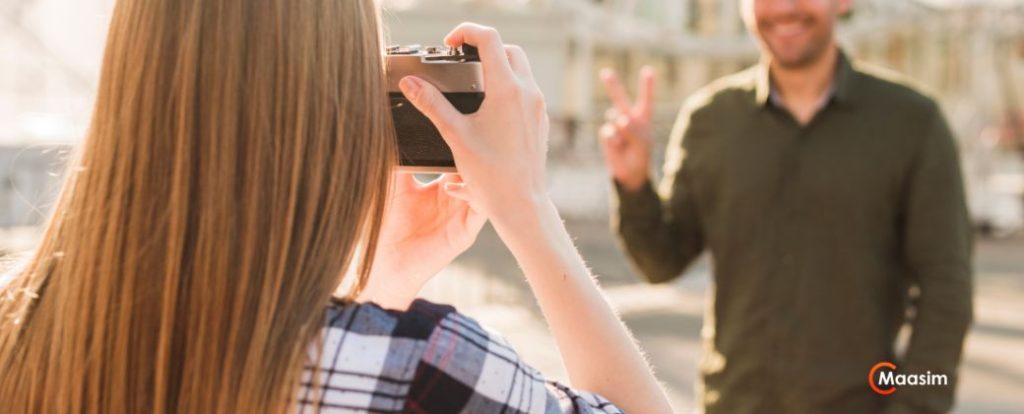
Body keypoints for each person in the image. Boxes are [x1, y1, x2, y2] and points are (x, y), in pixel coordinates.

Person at [0, 0, 673, 413]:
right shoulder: (422, 365)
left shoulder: (15, 326)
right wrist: (527, 209)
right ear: (338, 106)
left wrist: (382, 286)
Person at [598, 0, 972, 413]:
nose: (784, 7)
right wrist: (634, 185)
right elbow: (661, 262)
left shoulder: (913, 123)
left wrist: (917, 404)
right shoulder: (710, 120)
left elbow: (947, 289)